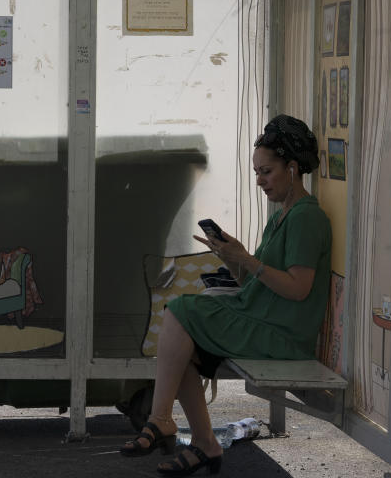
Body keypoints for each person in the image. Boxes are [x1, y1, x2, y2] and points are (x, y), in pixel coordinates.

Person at [120, 114, 331, 476]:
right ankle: (205, 443)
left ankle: (161, 420)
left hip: (281, 333)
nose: (260, 181)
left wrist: (247, 259)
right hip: (261, 318)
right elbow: (261, 280)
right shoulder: (282, 216)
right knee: (183, 346)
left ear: (293, 169)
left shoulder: (306, 219)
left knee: (181, 310)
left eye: (266, 172)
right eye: (256, 173)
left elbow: (298, 289)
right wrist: (233, 260)